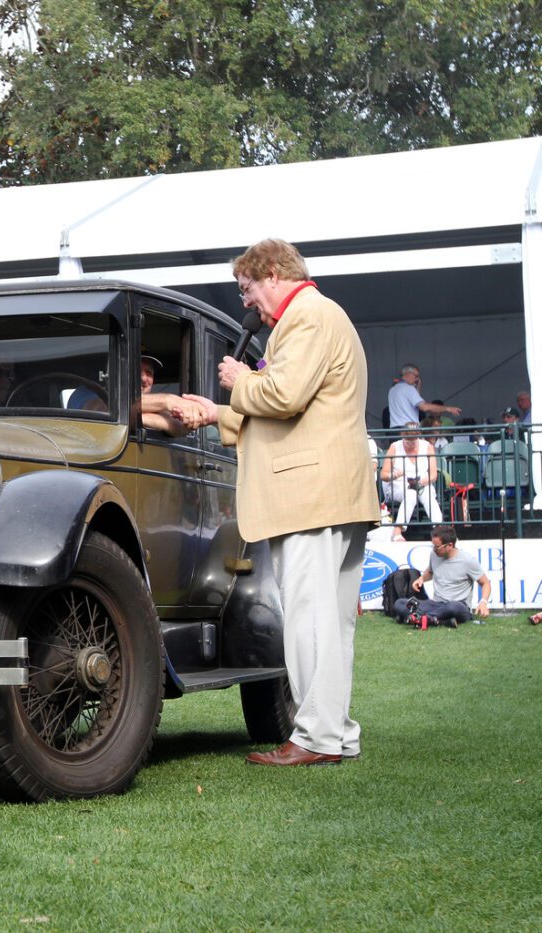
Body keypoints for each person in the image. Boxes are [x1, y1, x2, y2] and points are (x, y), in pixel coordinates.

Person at [177, 238, 380, 767]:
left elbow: (284, 396)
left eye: (246, 288)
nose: (246, 302)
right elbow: (292, 408)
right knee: (330, 623)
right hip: (331, 492)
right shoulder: (318, 316)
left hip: (312, 495)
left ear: (271, 272)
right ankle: (336, 734)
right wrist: (218, 413)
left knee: (312, 619)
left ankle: (313, 738)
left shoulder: (307, 317)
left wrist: (241, 381)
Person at [392, 525, 490, 628]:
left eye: (437, 547)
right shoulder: (434, 555)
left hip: (458, 605)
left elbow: (485, 583)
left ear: (450, 545)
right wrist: (421, 579)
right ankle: (436, 620)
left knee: (453, 608)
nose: (434, 549)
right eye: (433, 545)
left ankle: (417, 618)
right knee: (400, 603)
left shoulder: (468, 561)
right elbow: (430, 572)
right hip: (436, 604)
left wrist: (483, 602)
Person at [380, 422, 442, 527]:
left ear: (418, 437)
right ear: (402, 436)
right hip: (398, 486)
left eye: (413, 442)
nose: (409, 445)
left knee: (428, 496)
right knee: (411, 493)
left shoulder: (427, 447)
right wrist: (394, 475)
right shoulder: (394, 447)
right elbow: (383, 475)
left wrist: (420, 482)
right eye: (407, 441)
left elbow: (433, 475)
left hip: (423, 484)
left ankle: (440, 528)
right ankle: (398, 529)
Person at [387, 364, 461, 428]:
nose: (417, 379)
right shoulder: (409, 388)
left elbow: (412, 404)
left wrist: (417, 388)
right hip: (408, 430)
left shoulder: (392, 390)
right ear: (407, 374)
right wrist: (448, 408)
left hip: (394, 428)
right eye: (416, 376)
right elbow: (424, 407)